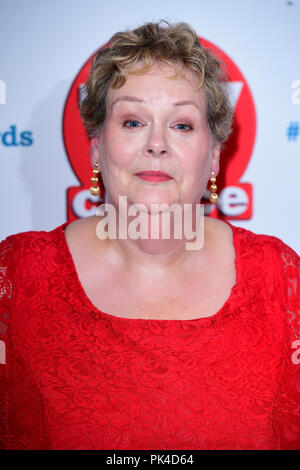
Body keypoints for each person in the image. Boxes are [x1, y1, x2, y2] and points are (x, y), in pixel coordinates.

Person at [0, 20, 299, 451]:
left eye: (181, 125)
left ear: (214, 156)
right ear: (97, 147)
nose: (156, 143)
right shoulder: (16, 277)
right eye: (134, 121)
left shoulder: (281, 282)